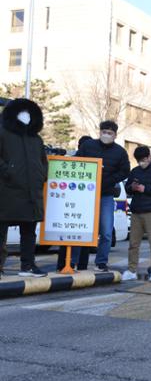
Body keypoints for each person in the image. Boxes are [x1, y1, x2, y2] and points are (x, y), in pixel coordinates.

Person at [72, 120, 130, 271]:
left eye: (110, 133)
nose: (106, 135)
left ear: (115, 135)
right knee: (81, 228)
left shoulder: (120, 152)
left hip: (106, 195)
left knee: (106, 231)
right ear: (100, 132)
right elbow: (77, 162)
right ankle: (73, 261)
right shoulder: (88, 146)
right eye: (104, 132)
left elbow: (125, 171)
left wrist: (110, 180)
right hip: (85, 194)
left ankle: (101, 262)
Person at [0, 98, 48, 277]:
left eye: (29, 112)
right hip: (6, 190)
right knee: (1, 230)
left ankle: (27, 266)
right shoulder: (3, 132)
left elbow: (43, 162)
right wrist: (8, 172)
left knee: (29, 231)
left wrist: (42, 175)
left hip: (31, 192)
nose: (26, 116)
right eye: (22, 112)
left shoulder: (36, 138)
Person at [121, 146, 151, 282]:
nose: (141, 163)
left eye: (143, 160)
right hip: (136, 211)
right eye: (139, 161)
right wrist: (132, 187)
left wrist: (145, 188)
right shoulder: (135, 171)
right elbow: (127, 187)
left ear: (149, 157)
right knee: (133, 244)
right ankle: (131, 270)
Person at [56, 135, 93, 271]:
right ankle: (71, 265)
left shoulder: (94, 165)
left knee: (70, 237)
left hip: (76, 206)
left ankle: (69, 265)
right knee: (78, 237)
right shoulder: (87, 164)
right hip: (78, 205)